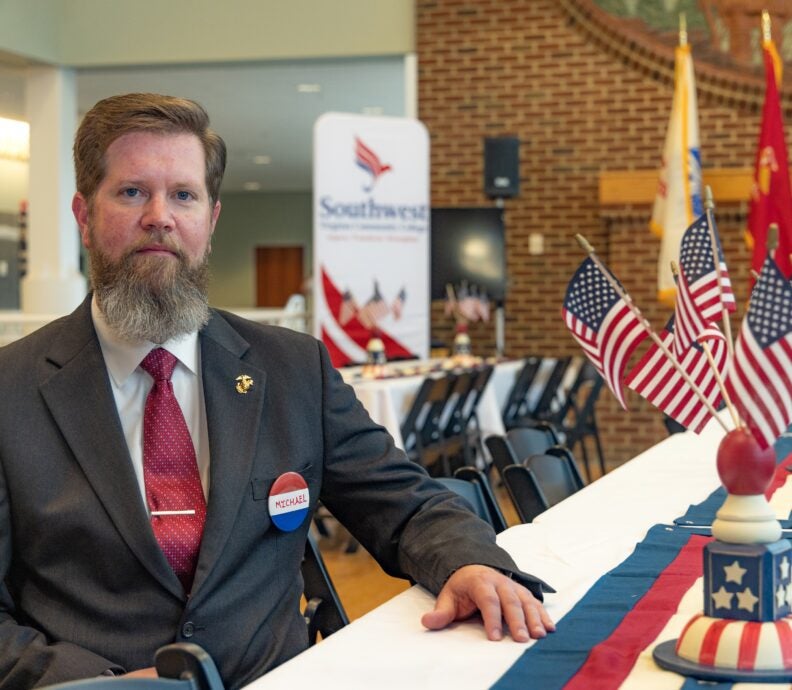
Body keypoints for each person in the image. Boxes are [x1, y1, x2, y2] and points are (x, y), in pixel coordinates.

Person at [0, 93, 554, 689]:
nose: (160, 215)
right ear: (84, 216)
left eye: (183, 195)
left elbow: (407, 504)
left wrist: (469, 562)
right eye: (132, 191)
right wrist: (101, 685)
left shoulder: (293, 370)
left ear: (209, 222)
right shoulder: (12, 391)